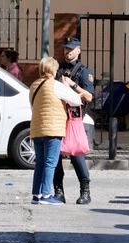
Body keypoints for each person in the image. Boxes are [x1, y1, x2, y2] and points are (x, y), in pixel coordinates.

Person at [30, 57, 82, 205]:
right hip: (53, 128)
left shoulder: (34, 85)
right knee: (50, 162)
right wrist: (67, 87)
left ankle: (36, 195)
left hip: (37, 128)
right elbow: (76, 101)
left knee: (40, 162)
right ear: (54, 70)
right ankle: (46, 195)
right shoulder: (56, 85)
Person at [53, 37, 94, 205]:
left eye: (71, 49)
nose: (67, 52)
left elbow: (89, 97)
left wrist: (72, 85)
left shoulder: (85, 71)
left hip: (75, 119)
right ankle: (58, 191)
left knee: (76, 155)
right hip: (59, 116)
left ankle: (85, 191)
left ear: (79, 50)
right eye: (66, 49)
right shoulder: (58, 69)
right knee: (55, 154)